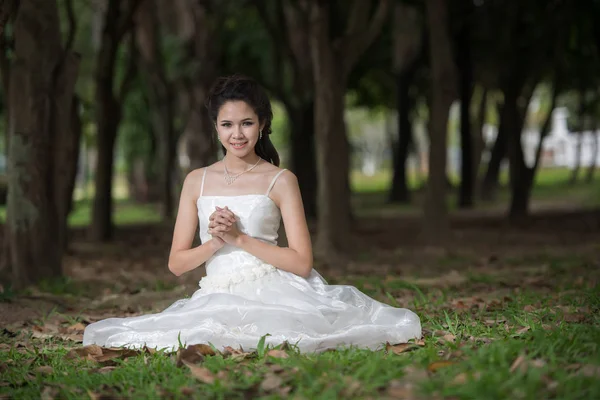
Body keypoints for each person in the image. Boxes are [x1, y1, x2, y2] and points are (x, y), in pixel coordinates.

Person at [83, 75, 421, 353]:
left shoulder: (280, 180)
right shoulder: (196, 181)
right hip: (215, 293)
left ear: (262, 124)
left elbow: (302, 262)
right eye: (227, 124)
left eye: (246, 123)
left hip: (274, 291)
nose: (237, 134)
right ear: (216, 128)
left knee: (278, 338)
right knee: (174, 337)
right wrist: (216, 242)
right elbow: (177, 264)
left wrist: (239, 238)